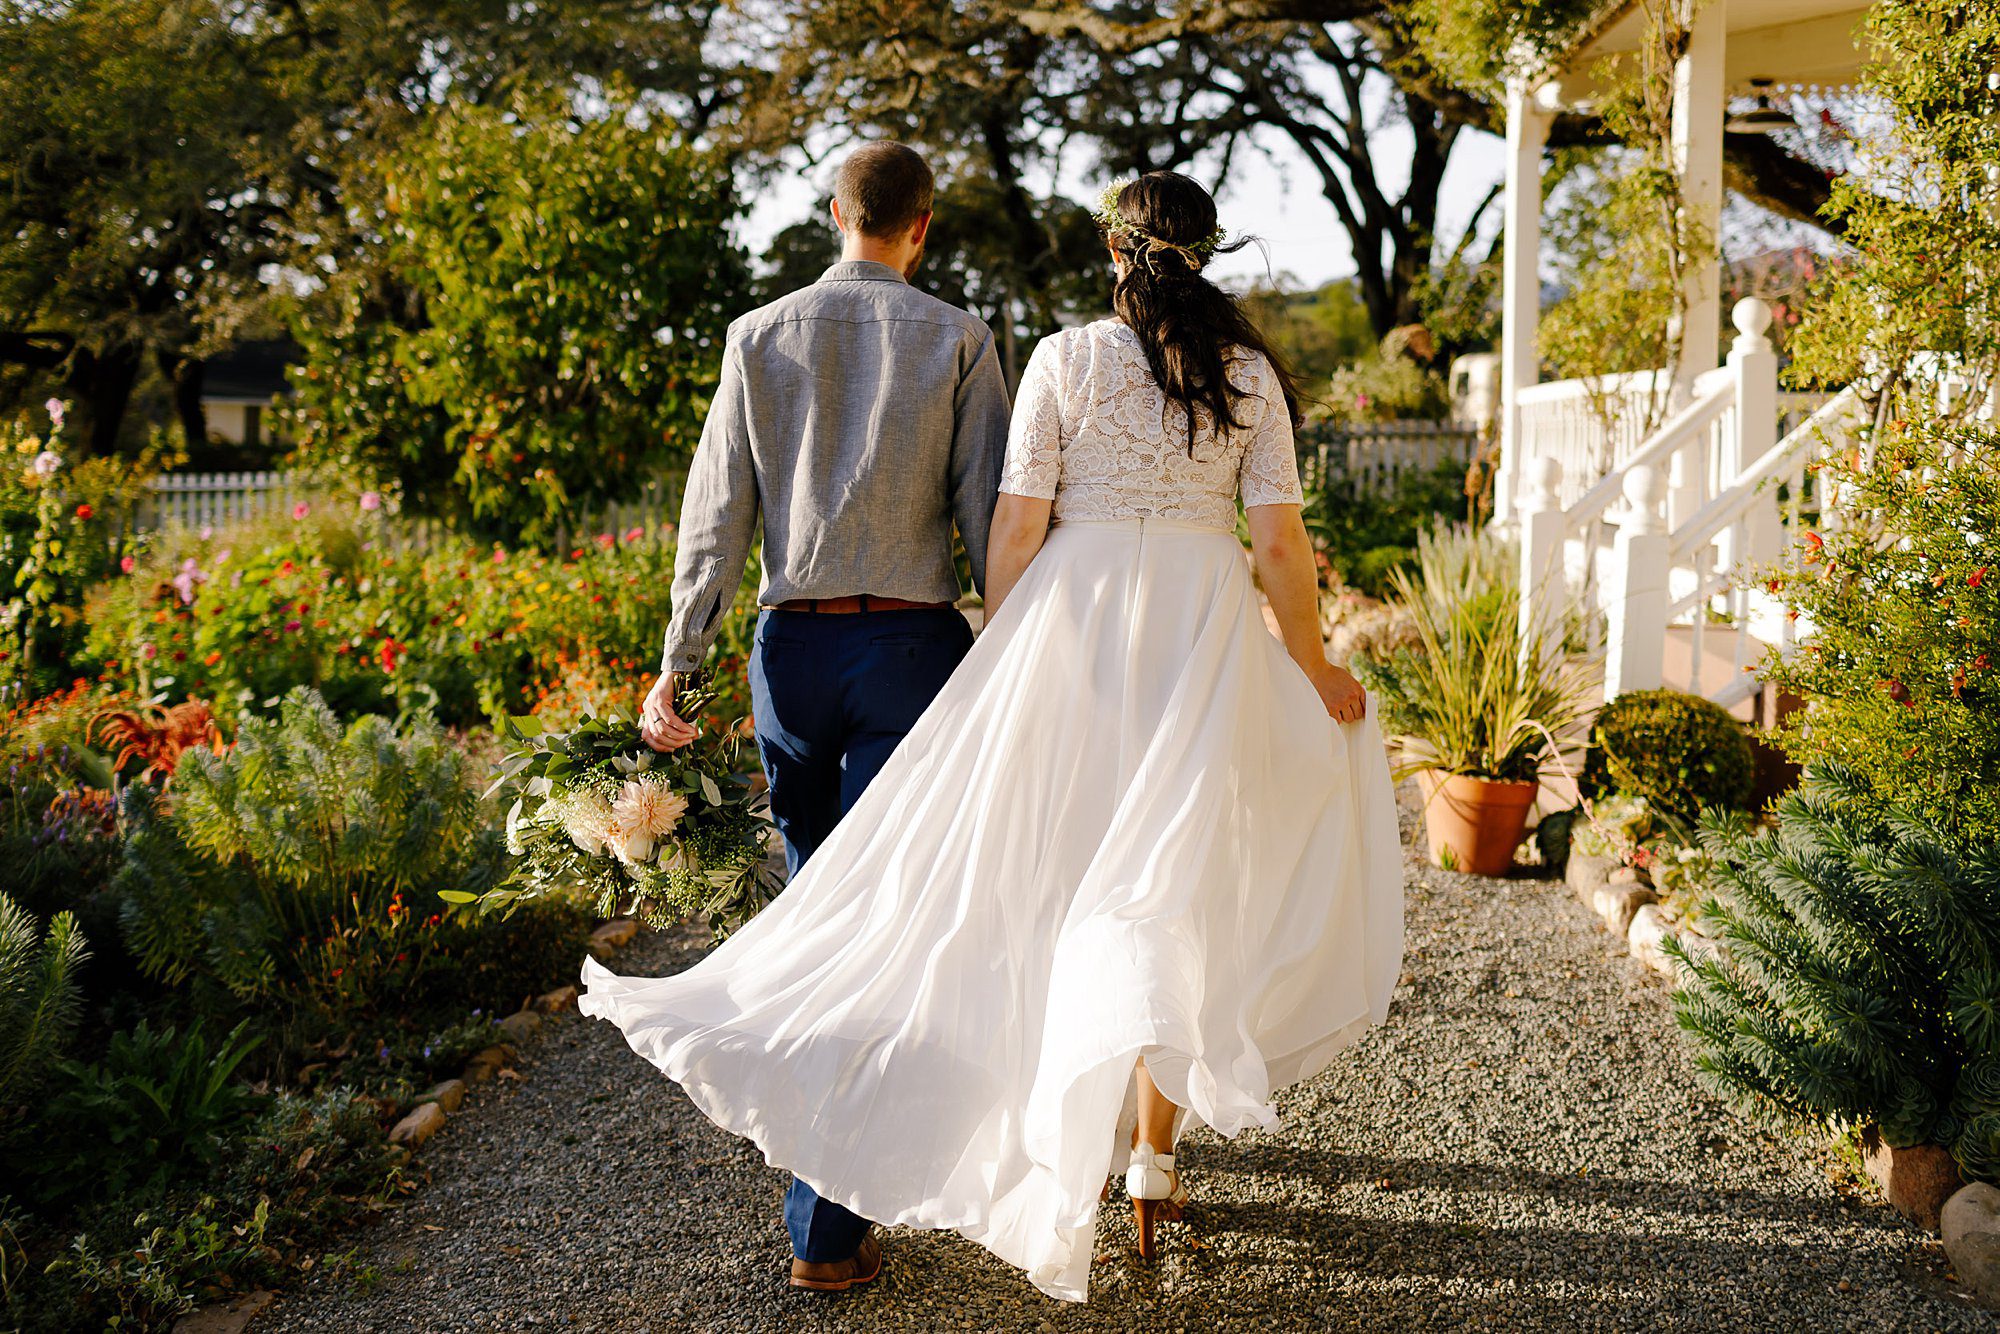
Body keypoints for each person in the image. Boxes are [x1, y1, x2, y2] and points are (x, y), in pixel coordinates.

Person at [582, 169, 1404, 1303]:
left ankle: (950, 1157)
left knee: (1007, 890)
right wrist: (1313, 667)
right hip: (1195, 640)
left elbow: (1012, 525)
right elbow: (1277, 547)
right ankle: (1148, 1159)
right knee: (1176, 881)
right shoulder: (1244, 372)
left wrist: (1007, 652)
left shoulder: (1063, 358)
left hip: (1040, 638)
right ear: (1204, 256)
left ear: (1113, 251)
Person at [608, 140, 1011, 1292]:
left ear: (835, 213)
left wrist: (676, 667)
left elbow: (713, 519)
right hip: (912, 650)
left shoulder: (755, 335)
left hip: (792, 652)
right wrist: (1022, 649)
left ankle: (824, 1226)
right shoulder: (958, 337)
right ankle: (836, 1217)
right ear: (922, 226)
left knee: (818, 910)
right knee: (888, 921)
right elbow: (992, 523)